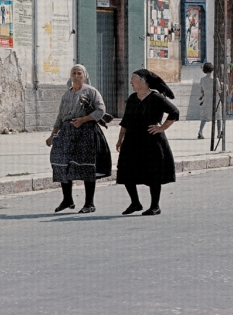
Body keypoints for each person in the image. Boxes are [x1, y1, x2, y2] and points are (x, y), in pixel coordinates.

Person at [46, 64, 110, 214]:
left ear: (84, 75)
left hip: (86, 131)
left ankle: (89, 203)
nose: (76, 76)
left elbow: (101, 110)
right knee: (61, 162)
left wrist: (83, 119)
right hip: (66, 132)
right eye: (73, 73)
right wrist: (52, 134)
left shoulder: (91, 92)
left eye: (79, 73)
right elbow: (60, 116)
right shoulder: (67, 95)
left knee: (86, 166)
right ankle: (67, 199)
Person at [116, 69, 179, 216]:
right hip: (131, 140)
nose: (131, 82)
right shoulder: (132, 98)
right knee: (126, 171)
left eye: (134, 79)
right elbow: (125, 121)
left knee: (153, 174)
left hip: (151, 141)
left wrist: (161, 128)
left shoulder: (156, 98)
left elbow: (174, 112)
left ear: (143, 81)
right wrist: (120, 139)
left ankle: (155, 206)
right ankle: (135, 203)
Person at [198, 62, 221, 139]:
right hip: (215, 99)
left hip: (206, 99)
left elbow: (202, 91)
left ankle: (200, 132)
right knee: (218, 116)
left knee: (204, 116)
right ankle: (219, 133)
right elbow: (219, 90)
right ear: (212, 70)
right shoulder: (215, 79)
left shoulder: (202, 80)